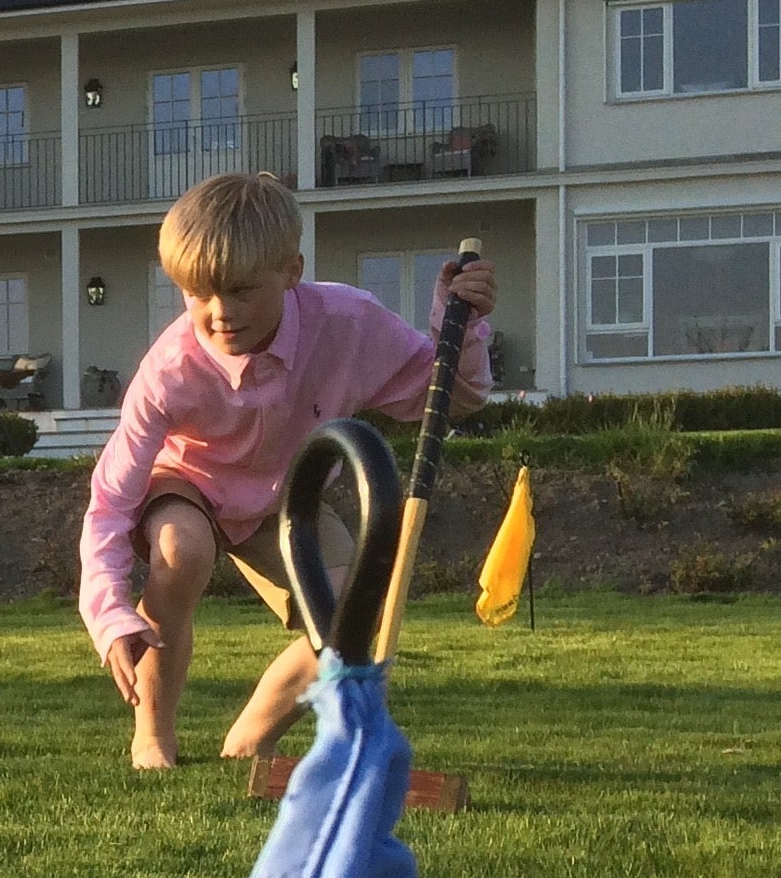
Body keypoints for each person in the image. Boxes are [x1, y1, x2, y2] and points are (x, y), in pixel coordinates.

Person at [81, 171, 495, 771]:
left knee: (360, 611)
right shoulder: (169, 370)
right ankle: (153, 735)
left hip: (287, 498)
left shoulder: (348, 322)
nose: (219, 314)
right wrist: (109, 612)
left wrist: (463, 323)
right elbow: (111, 502)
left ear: (291, 271)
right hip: (189, 485)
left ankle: (251, 735)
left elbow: (452, 396)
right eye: (197, 294)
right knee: (180, 551)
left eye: (242, 291)